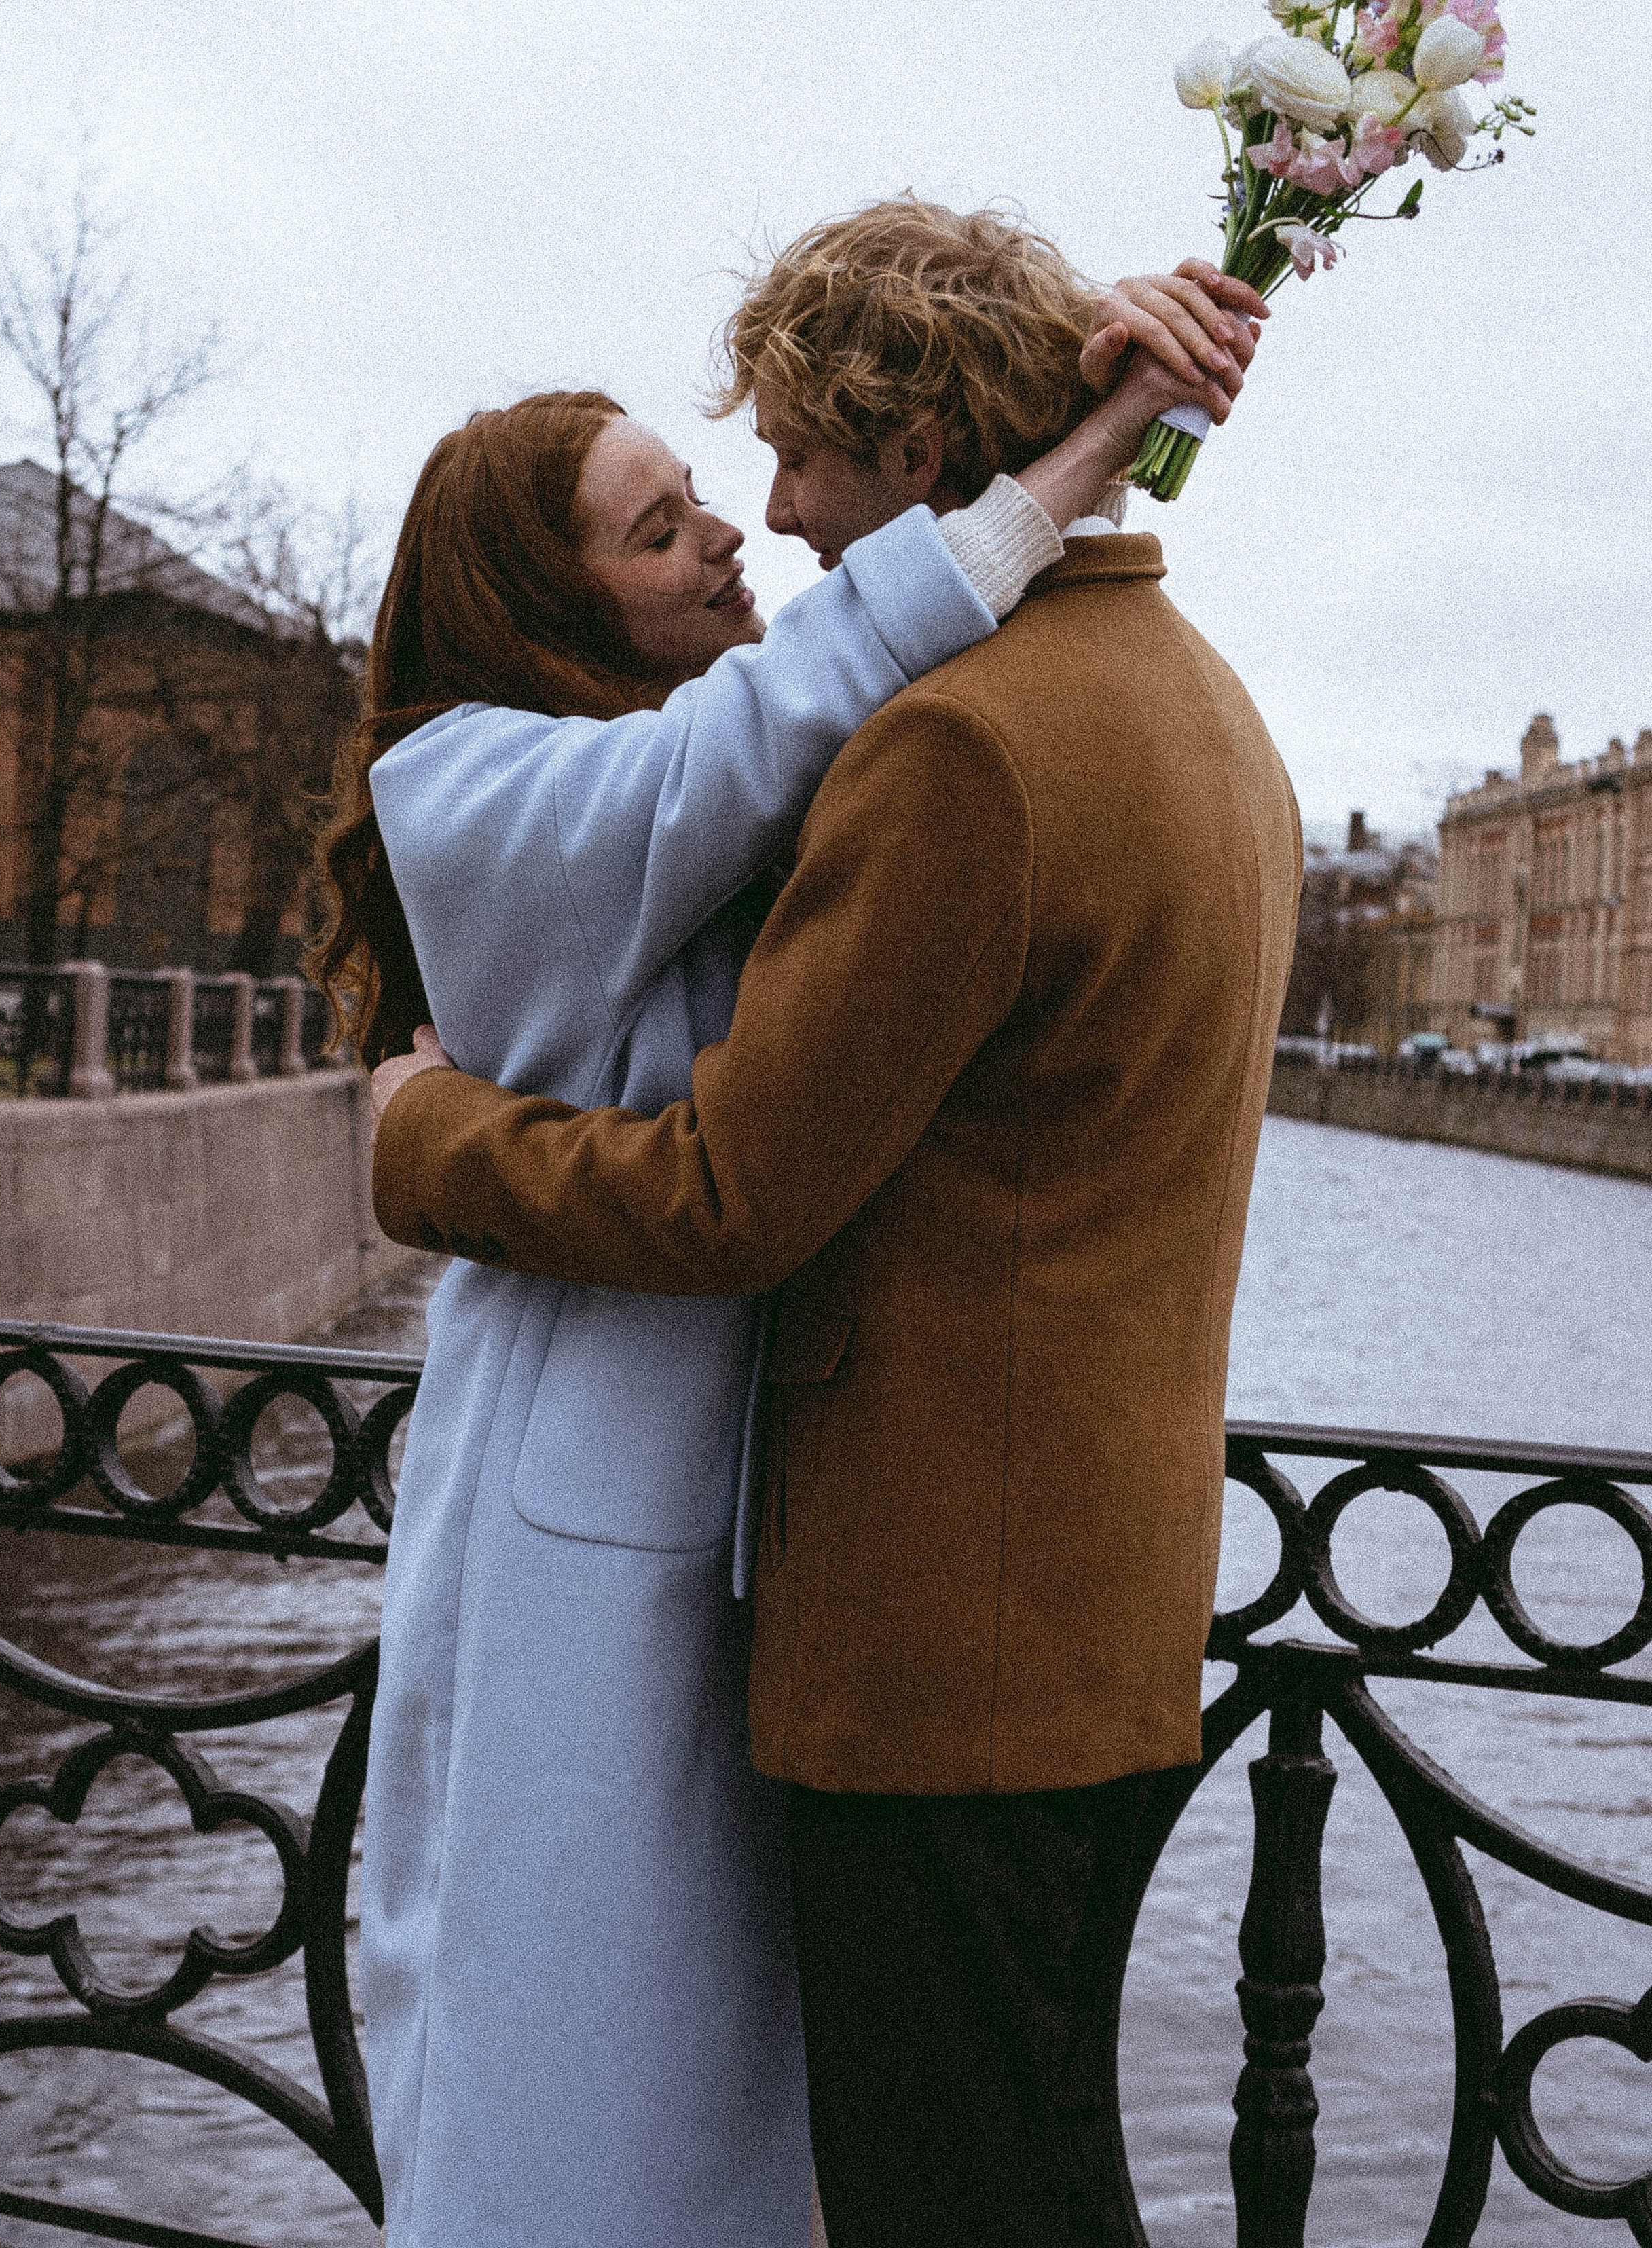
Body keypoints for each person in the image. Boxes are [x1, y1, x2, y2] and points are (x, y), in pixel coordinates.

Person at [365, 201, 1299, 2248]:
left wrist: (422, 1134)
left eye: (792, 453)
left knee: (956, 2192)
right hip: (1098, 1596)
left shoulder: (961, 744)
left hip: (937, 1627)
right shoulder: (1201, 707)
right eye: (692, 503)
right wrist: (1087, 417)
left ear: (920, 448)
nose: (770, 515)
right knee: (1013, 2160)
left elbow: (734, 1189)